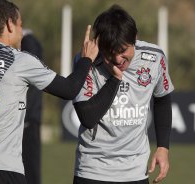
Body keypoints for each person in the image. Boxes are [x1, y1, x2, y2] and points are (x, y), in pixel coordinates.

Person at [0, 0, 99, 183]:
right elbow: (70, 89)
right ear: (9, 25)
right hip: (3, 170)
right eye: (20, 25)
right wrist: (86, 60)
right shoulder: (20, 61)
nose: (22, 32)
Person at [72, 4, 174, 184]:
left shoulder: (154, 58)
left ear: (135, 38)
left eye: (123, 51)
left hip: (136, 172)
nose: (118, 59)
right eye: (111, 53)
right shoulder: (86, 60)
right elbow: (87, 117)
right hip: (92, 171)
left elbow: (162, 99)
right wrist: (115, 79)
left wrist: (163, 147)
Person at [21, 28, 43, 184]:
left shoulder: (28, 44)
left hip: (27, 119)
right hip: (30, 117)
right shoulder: (31, 43)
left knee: (29, 170)